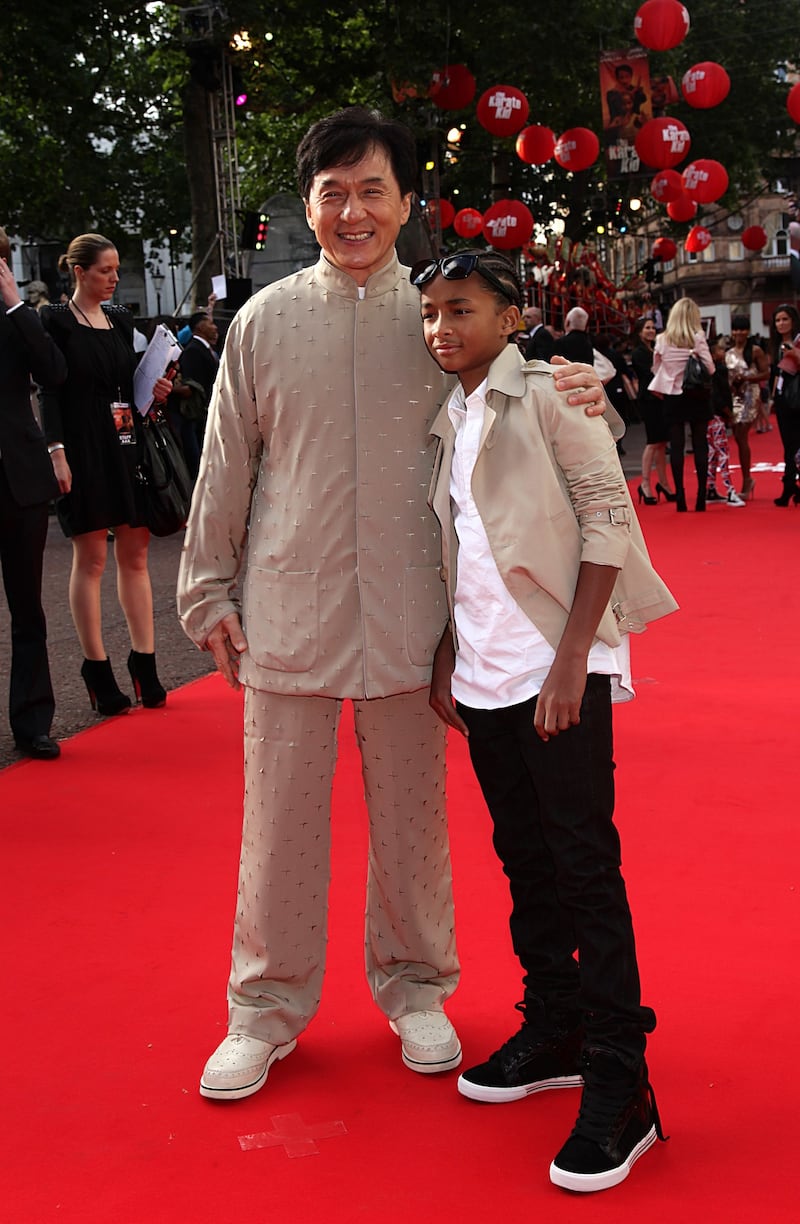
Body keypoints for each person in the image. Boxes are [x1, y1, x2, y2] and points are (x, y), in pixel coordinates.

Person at [176, 106, 612, 1104]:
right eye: (333, 192)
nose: (352, 211)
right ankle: (263, 1009)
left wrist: (589, 388)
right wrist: (207, 589)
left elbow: (532, 391)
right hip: (289, 601)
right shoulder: (262, 319)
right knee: (277, 818)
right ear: (307, 205)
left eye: (373, 189)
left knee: (412, 819)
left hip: (422, 613)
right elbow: (225, 465)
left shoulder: (444, 316)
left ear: (407, 202)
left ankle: (417, 989)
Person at [416, 248, 676, 1193]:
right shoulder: (455, 411)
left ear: (509, 313)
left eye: (462, 310)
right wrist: (451, 653)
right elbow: (467, 549)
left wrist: (572, 663)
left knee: (584, 870)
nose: (443, 327)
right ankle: (556, 1026)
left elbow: (608, 523)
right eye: (432, 314)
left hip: (556, 665)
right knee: (524, 860)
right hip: (485, 673)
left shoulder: (555, 397)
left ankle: (624, 1082)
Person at [40, 234, 173, 715]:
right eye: (105, 270)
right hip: (82, 448)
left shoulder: (120, 318)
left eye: (117, 269)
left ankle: (145, 661)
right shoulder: (53, 320)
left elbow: (129, 381)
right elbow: (49, 392)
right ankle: (96, 667)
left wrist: (154, 386)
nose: (115, 278)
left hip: (125, 444)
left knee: (135, 554)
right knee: (91, 557)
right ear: (79, 271)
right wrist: (56, 451)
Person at [0, 229, 67, 760]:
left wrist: (17, 306)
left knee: (28, 609)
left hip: (20, 482)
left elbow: (53, 372)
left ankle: (33, 722)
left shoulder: (20, 319)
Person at [648, 297, 715, 512]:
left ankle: (680, 499)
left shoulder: (662, 339)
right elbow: (710, 368)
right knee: (700, 446)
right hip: (696, 395)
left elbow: (656, 368)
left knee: (676, 448)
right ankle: (701, 499)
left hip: (672, 395)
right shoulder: (698, 337)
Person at [166, 310, 219, 479]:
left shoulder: (205, 349)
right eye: (210, 323)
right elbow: (192, 384)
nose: (215, 327)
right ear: (199, 326)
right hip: (197, 414)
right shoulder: (193, 350)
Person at [630, 317, 676, 504]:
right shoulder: (638, 353)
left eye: (652, 327)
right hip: (649, 399)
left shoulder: (655, 349)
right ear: (639, 331)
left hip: (662, 398)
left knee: (662, 443)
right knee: (653, 441)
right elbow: (649, 375)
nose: (651, 330)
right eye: (647, 328)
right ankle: (646, 484)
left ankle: (664, 483)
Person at [724, 315, 768, 501]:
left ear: (747, 331)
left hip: (750, 396)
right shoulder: (729, 352)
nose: (738, 333)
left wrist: (747, 379)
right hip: (734, 396)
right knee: (738, 437)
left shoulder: (755, 351)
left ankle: (747, 479)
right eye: (735, 329)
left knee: (742, 437)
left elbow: (766, 372)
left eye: (742, 329)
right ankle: (747, 479)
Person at [706, 337, 745, 506]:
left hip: (711, 417)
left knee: (714, 454)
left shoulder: (712, 371)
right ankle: (730, 491)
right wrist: (728, 413)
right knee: (722, 453)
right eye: (720, 349)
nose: (724, 351)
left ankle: (711, 489)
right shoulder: (718, 371)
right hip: (718, 416)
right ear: (713, 354)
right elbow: (719, 396)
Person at [767, 303, 800, 506]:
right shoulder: (774, 344)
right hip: (781, 399)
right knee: (788, 444)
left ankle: (791, 483)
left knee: (797, 444)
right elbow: (775, 374)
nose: (781, 323)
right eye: (778, 320)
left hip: (797, 397)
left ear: (793, 321)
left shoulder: (798, 341)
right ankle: (789, 485)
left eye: (785, 319)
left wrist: (794, 353)